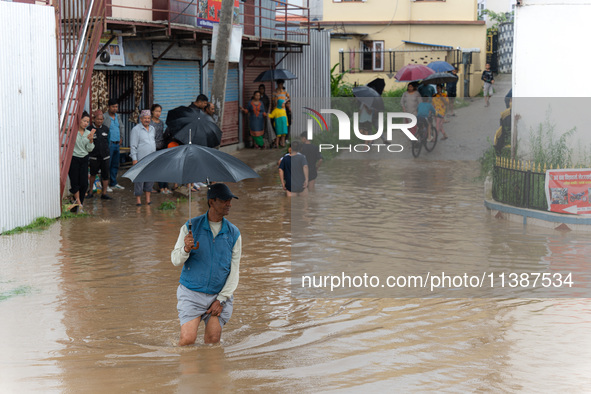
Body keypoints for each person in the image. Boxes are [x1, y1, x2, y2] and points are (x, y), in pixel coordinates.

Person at [171, 183, 242, 346]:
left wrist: (222, 299)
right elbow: (175, 260)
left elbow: (234, 271)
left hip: (218, 295)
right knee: (187, 340)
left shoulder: (234, 233)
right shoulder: (189, 228)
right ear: (212, 202)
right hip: (191, 292)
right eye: (225, 200)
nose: (229, 204)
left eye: (230, 201)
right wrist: (186, 248)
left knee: (213, 340)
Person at [69, 112, 95, 213]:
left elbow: (89, 149)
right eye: (84, 121)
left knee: (84, 184)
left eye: (87, 122)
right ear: (79, 120)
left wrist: (91, 140)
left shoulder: (88, 133)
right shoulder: (72, 132)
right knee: (75, 183)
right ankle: (79, 204)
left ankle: (79, 204)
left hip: (84, 158)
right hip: (74, 158)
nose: (86, 123)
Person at [130, 110, 156, 206]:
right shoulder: (136, 130)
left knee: (150, 179)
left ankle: (148, 200)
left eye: (148, 118)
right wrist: (134, 159)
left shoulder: (153, 129)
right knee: (139, 180)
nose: (147, 120)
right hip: (140, 159)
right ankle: (138, 200)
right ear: (141, 119)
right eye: (145, 118)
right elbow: (133, 146)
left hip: (151, 158)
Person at [88, 110, 112, 200]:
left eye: (101, 119)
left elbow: (108, 141)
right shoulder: (89, 129)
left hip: (105, 156)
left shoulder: (106, 128)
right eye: (98, 119)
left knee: (105, 175)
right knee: (93, 174)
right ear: (94, 119)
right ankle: (90, 192)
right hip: (94, 157)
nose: (100, 121)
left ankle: (104, 193)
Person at [103, 98, 125, 191]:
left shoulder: (118, 116)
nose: (115, 108)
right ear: (108, 107)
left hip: (117, 143)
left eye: (116, 107)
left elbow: (121, 127)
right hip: (109, 144)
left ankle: (113, 183)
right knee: (107, 164)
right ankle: (105, 184)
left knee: (115, 164)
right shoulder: (104, 117)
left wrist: (121, 138)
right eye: (113, 107)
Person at [150, 104, 170, 195]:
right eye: (156, 111)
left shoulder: (161, 123)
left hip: (162, 147)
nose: (158, 113)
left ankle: (166, 187)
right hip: (153, 148)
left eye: (160, 111)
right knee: (158, 169)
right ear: (152, 112)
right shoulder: (150, 123)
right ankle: (161, 188)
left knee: (164, 168)